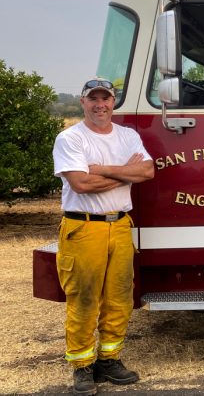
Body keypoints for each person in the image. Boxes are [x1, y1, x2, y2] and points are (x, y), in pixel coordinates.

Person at [52, 78, 154, 395]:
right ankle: (82, 367)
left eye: (105, 98)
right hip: (83, 227)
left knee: (119, 299)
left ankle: (108, 360)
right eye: (93, 98)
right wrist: (125, 172)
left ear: (113, 102)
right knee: (83, 299)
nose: (100, 104)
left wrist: (104, 169)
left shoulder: (128, 136)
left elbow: (148, 172)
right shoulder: (70, 138)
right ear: (83, 102)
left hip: (120, 225)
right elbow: (81, 184)